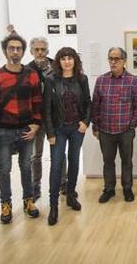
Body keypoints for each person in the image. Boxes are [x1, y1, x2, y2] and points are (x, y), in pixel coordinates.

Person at [0, 33, 42, 223]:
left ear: (24, 52)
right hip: (2, 131)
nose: (15, 51)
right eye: (11, 48)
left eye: (18, 48)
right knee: (4, 169)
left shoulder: (31, 75)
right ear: (5, 51)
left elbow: (37, 101)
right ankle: (5, 205)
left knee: (26, 167)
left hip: (26, 129)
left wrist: (36, 124)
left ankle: (28, 201)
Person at [43, 47, 91, 225]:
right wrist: (49, 132)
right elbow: (46, 109)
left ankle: (71, 195)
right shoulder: (50, 80)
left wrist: (85, 122)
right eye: (63, 58)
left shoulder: (82, 79)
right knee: (56, 165)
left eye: (70, 58)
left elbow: (87, 102)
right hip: (58, 130)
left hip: (76, 129)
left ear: (75, 61)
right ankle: (53, 205)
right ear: (59, 61)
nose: (67, 61)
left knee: (74, 162)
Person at [92, 47, 137, 203]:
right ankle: (109, 189)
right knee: (108, 162)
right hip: (105, 131)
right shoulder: (101, 80)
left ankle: (127, 188)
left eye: (116, 59)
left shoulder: (132, 81)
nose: (113, 62)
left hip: (125, 131)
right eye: (110, 59)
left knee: (127, 161)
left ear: (124, 61)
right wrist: (95, 127)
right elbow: (95, 105)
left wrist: (132, 125)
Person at [27, 37, 67, 201]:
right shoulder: (26, 70)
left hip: (55, 119)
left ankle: (63, 184)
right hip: (35, 121)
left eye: (43, 49)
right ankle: (35, 187)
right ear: (31, 51)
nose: (40, 52)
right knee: (36, 156)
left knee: (58, 153)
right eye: (36, 49)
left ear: (48, 50)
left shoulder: (57, 67)